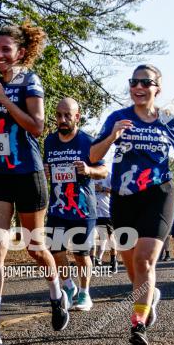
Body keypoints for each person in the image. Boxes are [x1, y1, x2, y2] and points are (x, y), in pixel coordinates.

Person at [0, 23, 69, 345]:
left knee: (35, 248)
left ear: (20, 52)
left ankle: (56, 293)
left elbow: (37, 127)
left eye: (5, 49)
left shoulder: (30, 81)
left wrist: (5, 100)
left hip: (28, 175)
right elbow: (6, 128)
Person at [90, 64, 174, 345]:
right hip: (124, 196)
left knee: (145, 259)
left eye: (146, 82)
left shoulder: (169, 119)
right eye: (134, 82)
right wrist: (112, 136)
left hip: (159, 193)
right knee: (132, 265)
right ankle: (150, 297)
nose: (138, 87)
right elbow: (93, 154)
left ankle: (138, 324)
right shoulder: (118, 117)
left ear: (157, 89)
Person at [43, 98, 107, 311]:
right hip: (57, 207)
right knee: (56, 251)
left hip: (83, 209)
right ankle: (68, 286)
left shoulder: (88, 141)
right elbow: (46, 168)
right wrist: (47, 172)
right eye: (58, 115)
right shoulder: (49, 142)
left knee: (81, 255)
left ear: (77, 117)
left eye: (67, 115)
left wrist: (89, 170)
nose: (62, 119)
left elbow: (104, 171)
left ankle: (85, 294)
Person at [93, 165, 118, 272]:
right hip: (92, 212)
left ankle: (113, 262)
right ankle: (92, 263)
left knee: (110, 238)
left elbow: (116, 192)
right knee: (92, 238)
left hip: (106, 212)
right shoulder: (89, 175)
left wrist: (102, 188)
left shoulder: (108, 176)